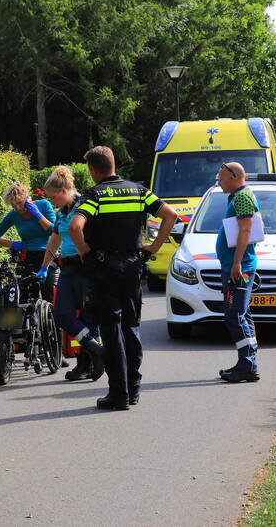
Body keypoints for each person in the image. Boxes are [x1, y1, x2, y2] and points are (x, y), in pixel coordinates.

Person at [69, 146, 177, 410]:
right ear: (113, 164)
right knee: (131, 327)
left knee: (111, 330)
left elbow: (75, 227)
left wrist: (84, 252)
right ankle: (134, 390)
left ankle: (118, 394)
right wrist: (154, 246)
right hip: (132, 266)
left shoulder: (95, 195)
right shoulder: (139, 191)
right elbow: (171, 215)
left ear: (93, 170)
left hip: (104, 268)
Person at [39, 166, 104, 382]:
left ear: (65, 189)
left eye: (53, 196)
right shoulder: (60, 213)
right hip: (67, 267)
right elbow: (54, 240)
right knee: (62, 314)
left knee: (87, 316)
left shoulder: (84, 205)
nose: (52, 201)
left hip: (85, 266)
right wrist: (44, 266)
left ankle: (85, 364)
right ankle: (96, 350)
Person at [215, 162, 261, 383]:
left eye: (221, 177)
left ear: (234, 176)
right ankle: (249, 363)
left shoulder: (242, 196)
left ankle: (247, 365)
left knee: (234, 316)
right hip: (236, 266)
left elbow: (246, 229)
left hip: (238, 269)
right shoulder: (238, 196)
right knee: (243, 315)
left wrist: (237, 263)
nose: (219, 181)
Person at [0, 182, 55, 275]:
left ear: (27, 198)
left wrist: (38, 215)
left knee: (49, 288)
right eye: (14, 205)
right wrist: (13, 244)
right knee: (23, 288)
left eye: (20, 203)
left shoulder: (44, 205)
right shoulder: (13, 214)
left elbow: (54, 231)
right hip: (27, 257)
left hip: (48, 255)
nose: (18, 208)